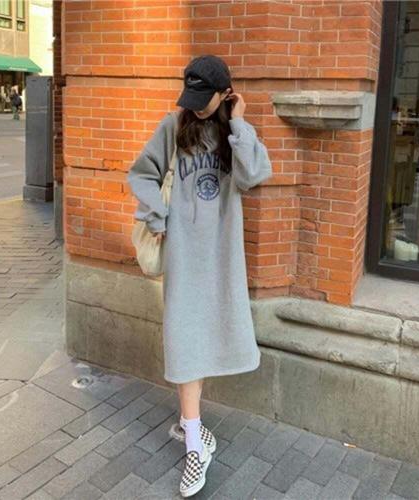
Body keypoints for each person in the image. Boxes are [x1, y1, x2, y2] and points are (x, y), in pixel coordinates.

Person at [126, 54, 273, 497]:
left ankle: (192, 425)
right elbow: (142, 174)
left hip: (222, 257)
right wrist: (157, 215)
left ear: (225, 93)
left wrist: (238, 122)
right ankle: (195, 443)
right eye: (190, 96)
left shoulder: (236, 133)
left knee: (205, 339)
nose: (195, 106)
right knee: (185, 342)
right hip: (185, 257)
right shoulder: (173, 126)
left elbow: (254, 176)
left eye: (204, 98)